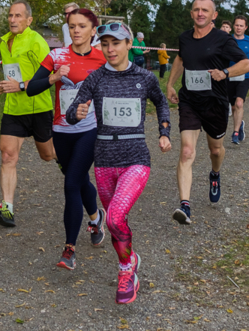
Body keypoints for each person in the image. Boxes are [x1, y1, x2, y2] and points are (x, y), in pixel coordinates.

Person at [65, 21, 171, 304]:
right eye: (105, 44)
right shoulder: (95, 78)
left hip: (136, 159)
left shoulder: (145, 77)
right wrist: (78, 111)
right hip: (104, 162)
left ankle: (126, 271)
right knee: (115, 223)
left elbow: (161, 102)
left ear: (128, 45)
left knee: (112, 216)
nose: (110, 49)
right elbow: (71, 111)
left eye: (116, 43)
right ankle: (130, 258)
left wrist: (164, 132)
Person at [26, 8, 107, 270]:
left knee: (71, 183)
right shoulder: (56, 56)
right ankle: (96, 218)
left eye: (82, 26)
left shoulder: (102, 58)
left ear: (93, 31)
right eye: (72, 26)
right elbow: (31, 89)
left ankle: (69, 249)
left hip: (90, 129)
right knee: (79, 179)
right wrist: (54, 77)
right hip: (61, 131)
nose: (76, 31)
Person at [165, 0, 249, 224]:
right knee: (186, 151)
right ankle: (185, 206)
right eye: (196, 10)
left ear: (214, 15)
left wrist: (225, 72)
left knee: (215, 150)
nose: (200, 13)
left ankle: (215, 174)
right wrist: (171, 84)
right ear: (191, 13)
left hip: (215, 102)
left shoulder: (223, 39)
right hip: (189, 101)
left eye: (205, 10)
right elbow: (180, 59)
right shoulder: (184, 37)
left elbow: (245, 63)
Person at [0, 0, 57, 227]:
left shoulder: (36, 41)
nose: (12, 20)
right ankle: (7, 209)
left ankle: (71, 163)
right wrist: (3, 85)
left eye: (18, 16)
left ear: (29, 20)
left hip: (39, 108)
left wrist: (19, 86)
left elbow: (48, 78)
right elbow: (12, 76)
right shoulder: (4, 42)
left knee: (47, 155)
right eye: (10, 15)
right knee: (7, 155)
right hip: (14, 109)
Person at [228, 16, 249, 144]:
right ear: (233, 26)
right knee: (234, 106)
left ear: (245, 27)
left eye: (241, 25)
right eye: (236, 25)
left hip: (245, 76)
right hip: (229, 75)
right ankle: (239, 124)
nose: (238, 28)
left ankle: (235, 133)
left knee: (239, 103)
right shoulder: (227, 40)